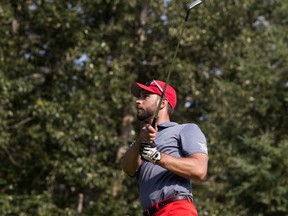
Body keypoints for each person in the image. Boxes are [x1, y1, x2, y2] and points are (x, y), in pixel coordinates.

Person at [121, 80, 208, 216]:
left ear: (162, 103)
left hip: (176, 209)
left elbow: (199, 170)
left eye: (145, 96)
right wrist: (140, 141)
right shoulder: (139, 141)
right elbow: (128, 168)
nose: (138, 101)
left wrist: (157, 157)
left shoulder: (185, 129)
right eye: (139, 97)